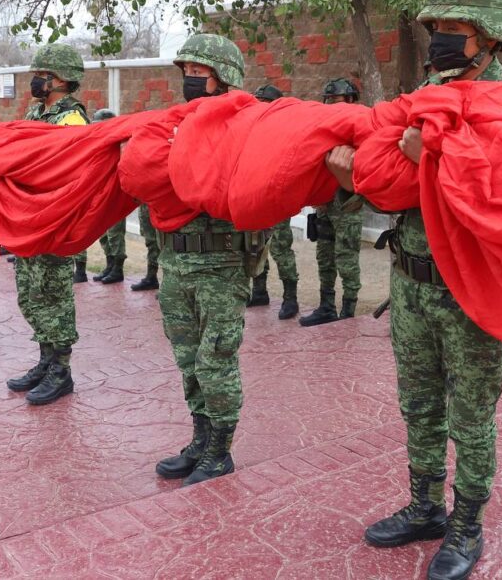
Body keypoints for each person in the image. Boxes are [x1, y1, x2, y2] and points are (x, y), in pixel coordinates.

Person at [326, 0, 502, 580]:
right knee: (419, 407)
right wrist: (352, 181)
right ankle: (425, 508)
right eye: (436, 27)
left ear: (489, 35)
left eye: (453, 28)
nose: (440, 38)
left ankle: (466, 527)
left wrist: (442, 162)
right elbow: (396, 192)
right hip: (412, 284)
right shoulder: (422, 97)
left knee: (470, 417)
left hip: (471, 293)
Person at [154, 33, 269, 486]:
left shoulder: (246, 125)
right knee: (187, 359)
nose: (190, 81)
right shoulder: (179, 124)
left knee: (215, 360)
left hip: (220, 266)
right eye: (186, 74)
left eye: (198, 74)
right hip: (176, 262)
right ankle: (200, 438)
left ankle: (220, 450)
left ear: (224, 79)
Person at [6, 43, 88, 404]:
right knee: (30, 293)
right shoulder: (36, 112)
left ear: (59, 80)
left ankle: (61, 371)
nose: (36, 81)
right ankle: (44, 360)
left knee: (53, 296)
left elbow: (62, 168)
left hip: (53, 221)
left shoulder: (71, 119)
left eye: (41, 75)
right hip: (29, 218)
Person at [299, 78, 364, 326]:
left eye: (335, 101)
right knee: (324, 256)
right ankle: (326, 306)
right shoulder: (325, 129)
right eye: (328, 102)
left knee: (346, 257)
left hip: (348, 204)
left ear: (350, 101)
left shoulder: (361, 128)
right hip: (326, 204)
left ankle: (348, 310)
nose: (331, 107)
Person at [247, 84, 300, 319]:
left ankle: (291, 298)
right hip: (255, 196)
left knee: (280, 247)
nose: (261, 108)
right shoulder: (251, 130)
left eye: (265, 103)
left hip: (277, 198)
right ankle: (259, 291)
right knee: (255, 244)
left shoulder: (287, 132)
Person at [90, 108, 128, 285]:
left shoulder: (121, 143)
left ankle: (117, 268)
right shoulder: (98, 145)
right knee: (102, 231)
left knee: (115, 233)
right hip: (100, 192)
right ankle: (109, 264)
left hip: (116, 193)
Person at [131, 204, 160, 291]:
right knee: (151, 242)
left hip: (154, 205)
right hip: (145, 204)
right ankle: (151, 277)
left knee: (157, 242)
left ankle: (154, 278)